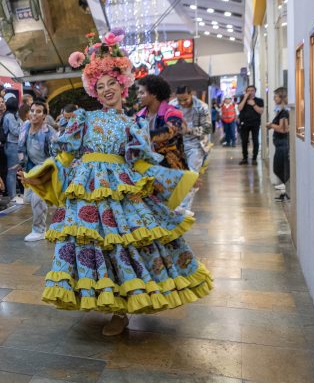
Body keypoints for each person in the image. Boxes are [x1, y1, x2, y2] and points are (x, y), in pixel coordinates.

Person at [24, 30, 212, 336]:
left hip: (120, 188)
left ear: (122, 85)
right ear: (94, 91)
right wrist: (45, 171)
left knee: (123, 246)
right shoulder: (84, 118)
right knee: (92, 244)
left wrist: (177, 179)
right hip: (87, 189)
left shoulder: (131, 123)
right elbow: (68, 155)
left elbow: (141, 162)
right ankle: (104, 300)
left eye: (112, 83)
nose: (108, 89)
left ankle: (122, 310)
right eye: (101, 86)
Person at [18, 101, 56, 241]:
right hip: (30, 169)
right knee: (27, 200)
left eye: (38, 111)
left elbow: (57, 155)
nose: (34, 114)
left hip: (45, 169)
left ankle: (39, 230)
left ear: (44, 115)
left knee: (37, 200)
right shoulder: (25, 126)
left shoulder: (49, 132)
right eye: (32, 110)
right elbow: (22, 149)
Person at [171, 86, 212, 215]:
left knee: (192, 175)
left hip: (197, 145)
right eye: (180, 100)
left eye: (185, 99)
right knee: (181, 177)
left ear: (191, 94)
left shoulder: (202, 107)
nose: (182, 103)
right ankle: (182, 206)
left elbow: (208, 128)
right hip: (177, 145)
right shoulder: (172, 105)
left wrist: (190, 130)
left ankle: (184, 207)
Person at [135, 76, 186, 169]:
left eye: (142, 93)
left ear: (154, 94)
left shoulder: (172, 111)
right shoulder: (139, 116)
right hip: (146, 164)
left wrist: (145, 136)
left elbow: (171, 129)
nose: (138, 96)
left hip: (171, 167)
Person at [267, 87, 290, 201]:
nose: (274, 98)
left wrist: (271, 125)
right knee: (279, 168)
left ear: (281, 97)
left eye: (276, 96)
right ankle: (282, 193)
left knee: (279, 168)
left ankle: (284, 193)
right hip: (280, 144)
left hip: (282, 143)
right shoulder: (281, 111)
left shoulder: (284, 112)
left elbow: (283, 129)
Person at [1, 96, 22, 199]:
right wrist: (23, 128)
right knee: (12, 171)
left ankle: (15, 194)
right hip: (11, 144)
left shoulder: (14, 115)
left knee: (17, 170)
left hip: (16, 144)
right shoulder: (9, 116)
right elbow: (15, 131)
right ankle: (12, 195)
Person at [237, 85, 264, 165]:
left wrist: (253, 104)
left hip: (255, 123)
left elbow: (261, 111)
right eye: (248, 90)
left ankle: (254, 158)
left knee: (255, 140)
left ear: (255, 91)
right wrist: (245, 98)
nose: (250, 92)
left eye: (252, 90)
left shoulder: (259, 100)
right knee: (244, 141)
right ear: (246, 92)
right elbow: (239, 109)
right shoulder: (243, 99)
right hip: (244, 123)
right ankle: (245, 158)